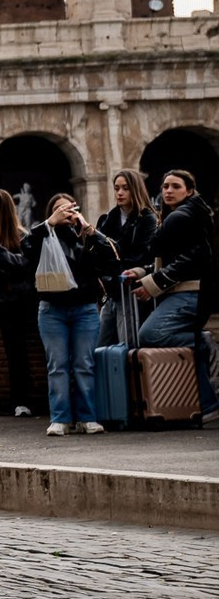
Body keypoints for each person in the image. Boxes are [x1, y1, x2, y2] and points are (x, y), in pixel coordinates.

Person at [23, 193, 117, 435]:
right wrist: (49, 224)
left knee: (84, 363)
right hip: (51, 308)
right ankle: (60, 418)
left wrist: (88, 228)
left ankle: (87, 417)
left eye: (70, 208)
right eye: (58, 209)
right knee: (58, 365)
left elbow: (111, 260)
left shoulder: (86, 238)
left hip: (84, 308)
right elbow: (26, 250)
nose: (65, 213)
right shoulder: (43, 236)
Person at [130, 167, 216, 423]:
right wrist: (143, 271)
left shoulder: (182, 215)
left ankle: (201, 342)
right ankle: (209, 404)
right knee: (184, 352)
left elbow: (191, 259)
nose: (168, 190)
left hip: (189, 291)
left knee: (149, 334)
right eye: (165, 186)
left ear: (189, 190)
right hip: (186, 290)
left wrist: (152, 284)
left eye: (175, 186)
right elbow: (170, 257)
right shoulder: (187, 214)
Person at [0, 188, 40, 421]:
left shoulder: (19, 236)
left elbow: (24, 266)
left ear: (0, 208)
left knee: (16, 353)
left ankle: (22, 401)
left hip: (13, 302)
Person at [101, 168, 158, 331]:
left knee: (127, 338)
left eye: (125, 188)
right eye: (117, 188)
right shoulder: (110, 217)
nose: (120, 193)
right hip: (112, 288)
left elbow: (142, 255)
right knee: (102, 342)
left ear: (136, 189)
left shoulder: (147, 218)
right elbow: (101, 252)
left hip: (133, 287)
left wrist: (112, 255)